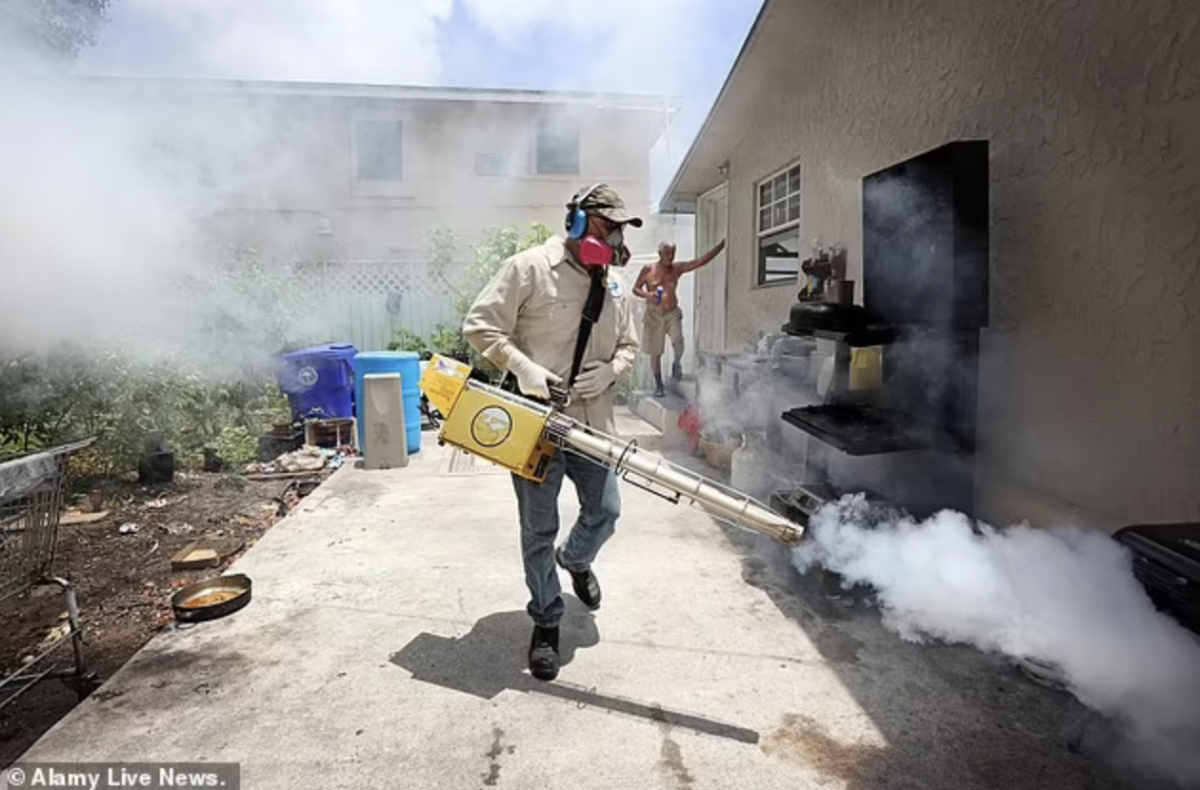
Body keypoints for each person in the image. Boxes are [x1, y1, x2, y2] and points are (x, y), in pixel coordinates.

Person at [462, 183, 641, 681]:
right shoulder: (527, 269)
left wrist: (612, 372)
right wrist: (522, 368)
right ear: (579, 222)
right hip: (536, 425)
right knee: (537, 529)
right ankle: (546, 619)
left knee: (605, 509)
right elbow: (480, 326)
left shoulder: (616, 286)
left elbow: (629, 346)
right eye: (608, 225)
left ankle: (577, 560)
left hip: (593, 422)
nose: (616, 237)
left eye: (621, 228)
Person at [632, 238, 726, 396]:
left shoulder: (677, 269)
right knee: (656, 351)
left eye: (673, 253)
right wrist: (649, 295)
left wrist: (721, 246)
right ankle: (659, 384)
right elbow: (635, 288)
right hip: (654, 314)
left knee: (678, 340)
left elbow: (700, 262)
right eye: (667, 253)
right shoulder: (649, 269)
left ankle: (676, 362)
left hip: (672, 311)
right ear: (660, 253)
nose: (671, 256)